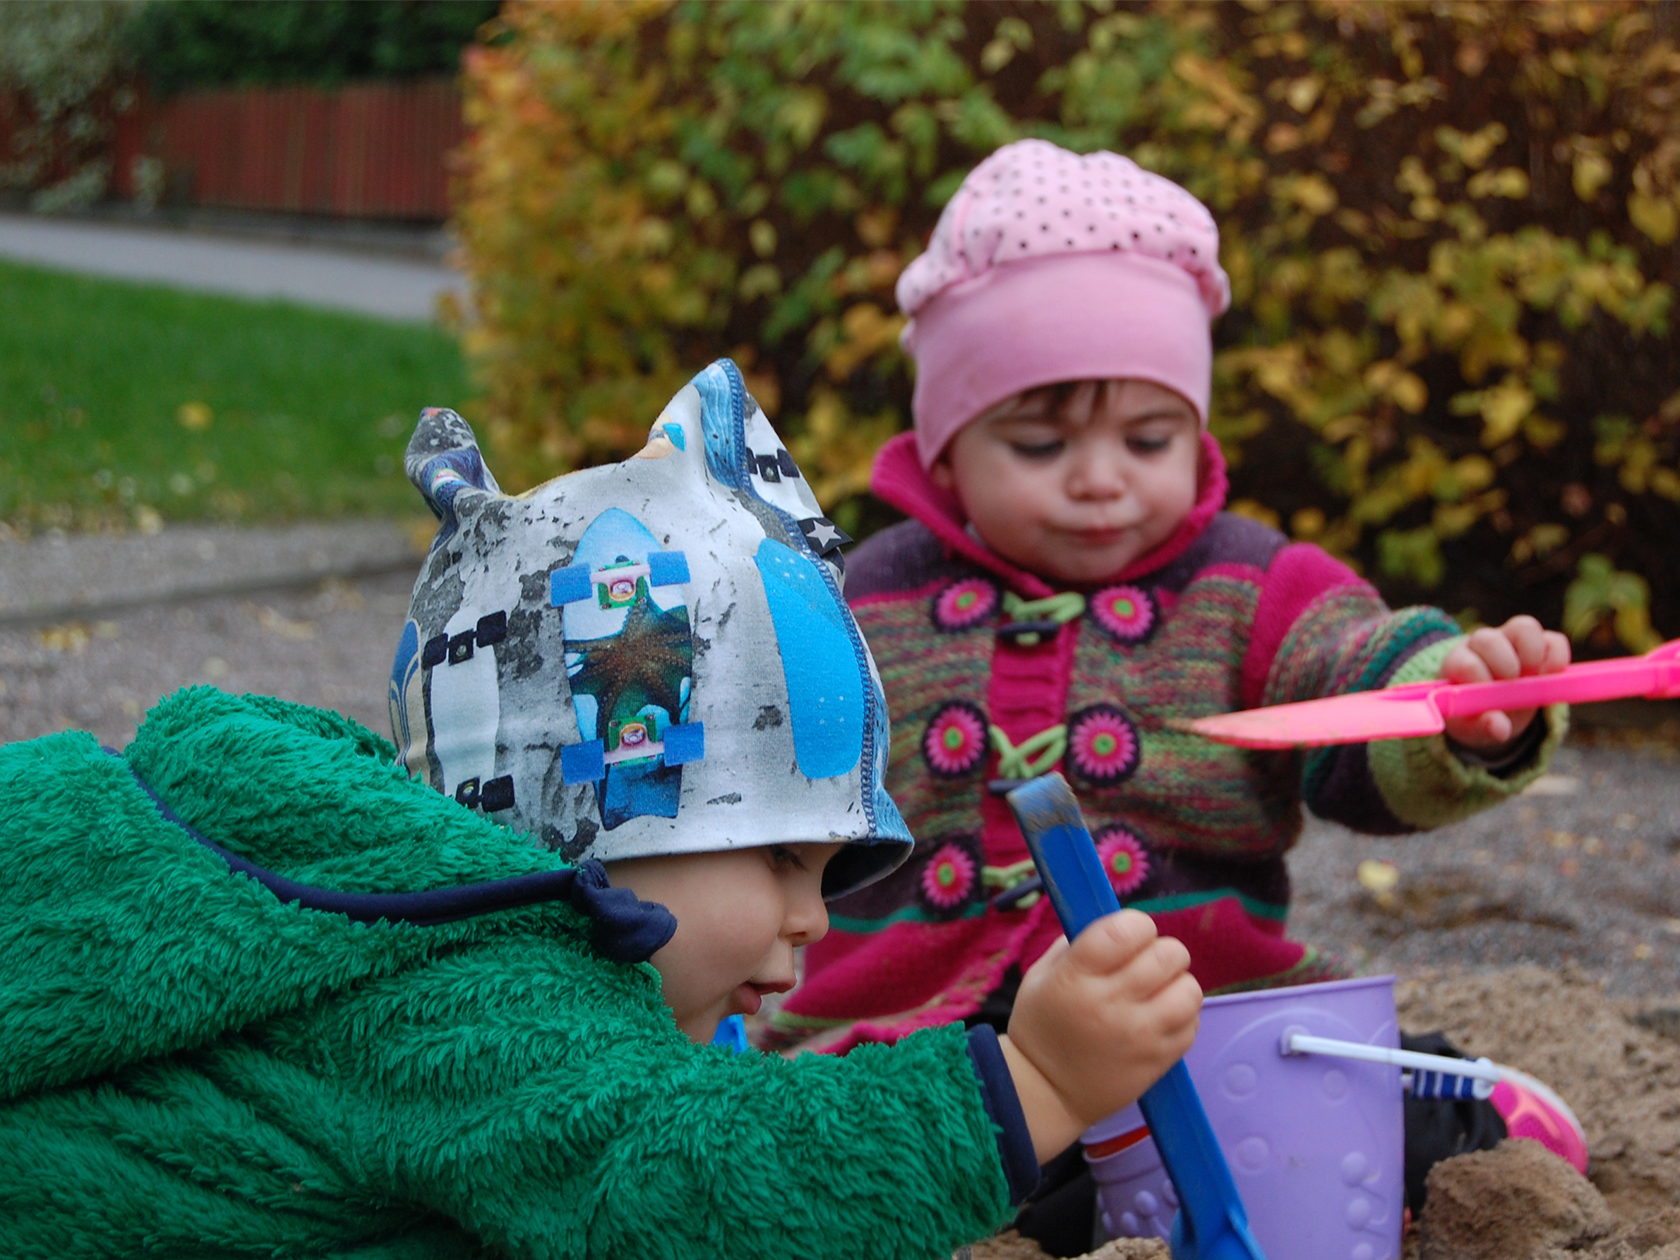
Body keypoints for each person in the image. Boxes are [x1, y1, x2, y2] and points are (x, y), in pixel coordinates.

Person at [0, 361, 1201, 1260]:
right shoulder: (480, 995)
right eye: (780, 856)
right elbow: (683, 1184)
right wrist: (1034, 1080)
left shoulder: (413, 909)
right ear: (594, 828)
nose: (813, 921)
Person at [761, 140, 1583, 1251]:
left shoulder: (1249, 587)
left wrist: (1455, 704)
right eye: (1040, 442)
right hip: (930, 1040)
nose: (1101, 478)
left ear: (1194, 435)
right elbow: (762, 763)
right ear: (947, 452)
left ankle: (1443, 1124)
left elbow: (1353, 670)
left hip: (1211, 1029)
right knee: (926, 1158)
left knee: (1407, 1098)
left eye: (1147, 439)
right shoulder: (868, 601)